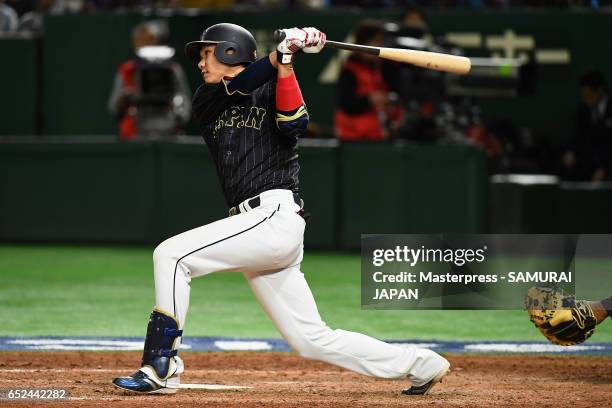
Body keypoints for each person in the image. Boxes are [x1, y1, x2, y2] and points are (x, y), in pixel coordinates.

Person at [112, 23, 450, 396]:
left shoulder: (274, 85)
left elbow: (295, 123)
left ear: (229, 52)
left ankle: (162, 367)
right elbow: (241, 85)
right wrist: (283, 53)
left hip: (272, 217)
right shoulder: (206, 98)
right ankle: (421, 364)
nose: (201, 63)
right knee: (311, 339)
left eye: (207, 53)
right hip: (253, 225)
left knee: (171, 255)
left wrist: (286, 62)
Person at [108, 21, 191, 140]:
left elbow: (184, 106)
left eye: (149, 39)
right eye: (140, 40)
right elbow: (114, 106)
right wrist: (126, 99)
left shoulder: (172, 69)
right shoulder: (127, 70)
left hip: (168, 133)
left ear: (156, 40)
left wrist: (176, 109)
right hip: (135, 136)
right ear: (134, 43)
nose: (144, 43)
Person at [334, 20, 403, 141]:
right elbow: (346, 105)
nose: (379, 46)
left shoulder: (382, 66)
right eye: (375, 41)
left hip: (377, 135)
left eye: (380, 41)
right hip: (353, 137)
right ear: (363, 44)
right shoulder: (349, 69)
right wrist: (369, 100)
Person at [562, 70, 612, 181]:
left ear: (599, 90)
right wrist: (571, 153)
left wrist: (605, 168)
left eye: (589, 95)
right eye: (584, 95)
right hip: (587, 162)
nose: (586, 99)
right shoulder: (583, 109)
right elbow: (577, 135)